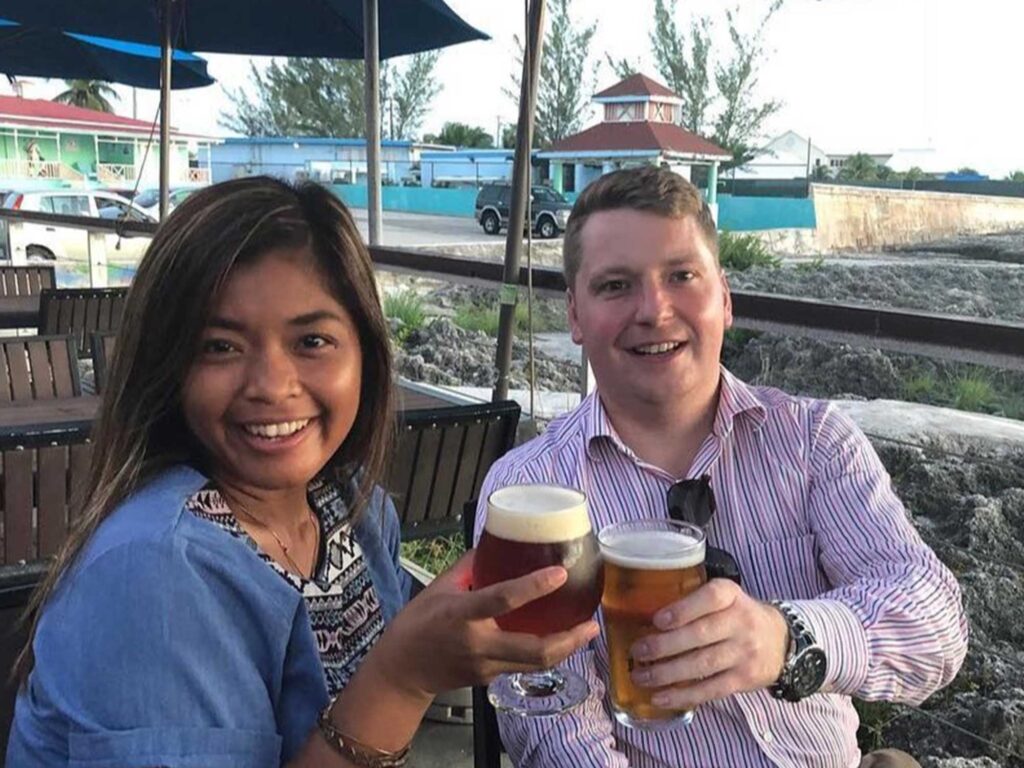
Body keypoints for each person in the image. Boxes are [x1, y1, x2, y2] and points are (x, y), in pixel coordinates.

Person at [8, 176, 599, 767]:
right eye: (220, 346)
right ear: (169, 367)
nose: (271, 386)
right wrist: (403, 678)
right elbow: (388, 697)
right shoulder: (155, 570)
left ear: (365, 351)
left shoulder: (354, 509)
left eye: (312, 340)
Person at [475, 166, 968, 768]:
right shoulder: (530, 494)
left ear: (724, 299)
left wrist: (785, 638)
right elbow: (557, 732)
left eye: (681, 275)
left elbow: (936, 621)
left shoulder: (813, 442)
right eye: (615, 286)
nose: (654, 310)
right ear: (574, 315)